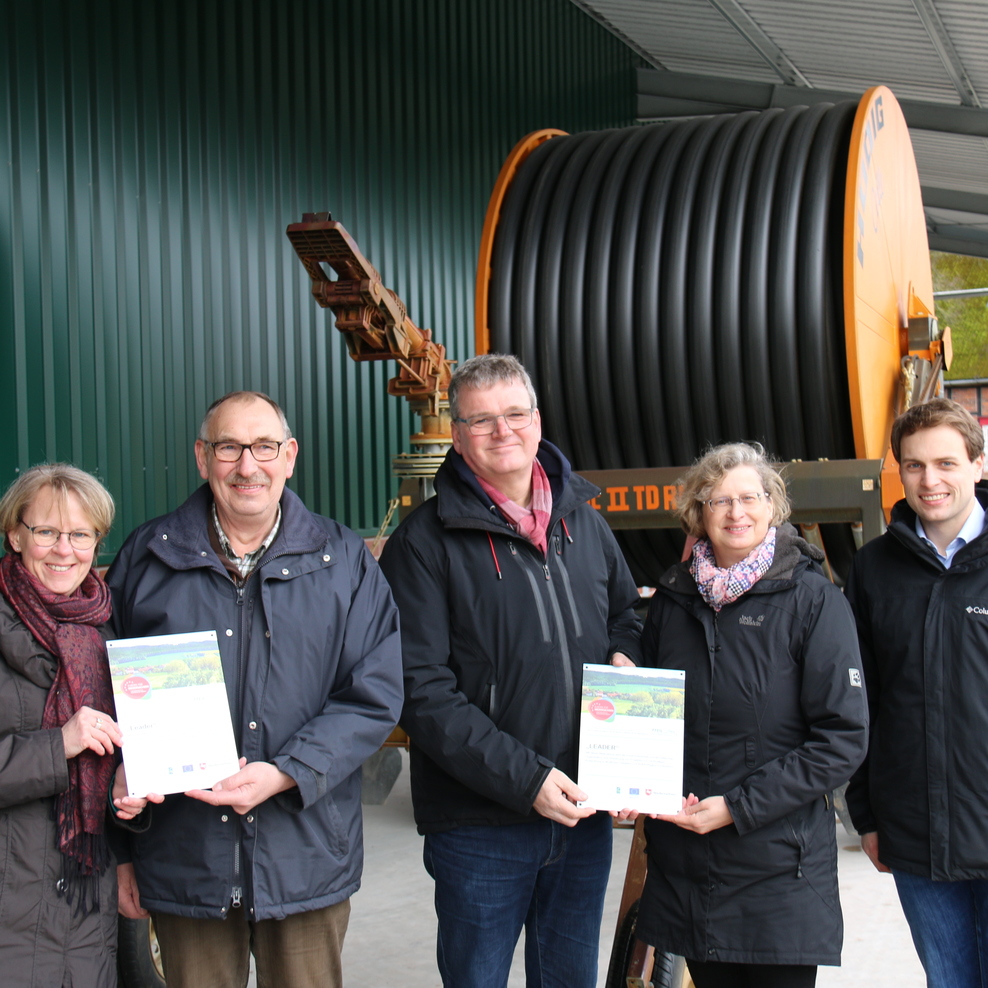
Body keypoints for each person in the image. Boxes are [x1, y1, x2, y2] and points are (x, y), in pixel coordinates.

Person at [107, 390, 403, 988]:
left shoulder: (343, 560)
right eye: (229, 448)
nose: (248, 465)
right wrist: (120, 846)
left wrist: (287, 771)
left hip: (304, 852)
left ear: (289, 456)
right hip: (184, 857)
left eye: (264, 446)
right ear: (201, 456)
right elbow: (102, 700)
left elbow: (374, 691)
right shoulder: (147, 558)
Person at [378, 353, 642, 988]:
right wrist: (527, 779)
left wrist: (625, 662)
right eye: (482, 420)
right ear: (459, 436)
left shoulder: (585, 521)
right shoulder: (423, 543)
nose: (504, 432)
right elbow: (420, 689)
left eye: (516, 414)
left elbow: (629, 616)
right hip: (481, 825)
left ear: (538, 421)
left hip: (582, 812)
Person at [636, 442, 868, 988]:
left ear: (772, 506)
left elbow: (843, 738)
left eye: (750, 497)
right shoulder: (672, 602)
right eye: (719, 500)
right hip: (690, 867)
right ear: (699, 512)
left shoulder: (814, 601)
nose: (736, 512)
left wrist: (737, 808)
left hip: (780, 872)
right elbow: (646, 712)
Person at [845, 397, 988, 988]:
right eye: (914, 465)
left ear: (978, 464)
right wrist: (868, 814)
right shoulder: (874, 568)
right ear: (898, 471)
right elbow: (859, 700)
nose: (931, 481)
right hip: (916, 830)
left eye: (947, 463)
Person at [0, 463, 149, 986]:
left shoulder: (107, 629)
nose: (64, 549)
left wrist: (125, 790)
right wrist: (57, 745)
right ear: (15, 534)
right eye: (46, 532)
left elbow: (112, 760)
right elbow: (71, 747)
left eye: (80, 534)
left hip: (86, 906)